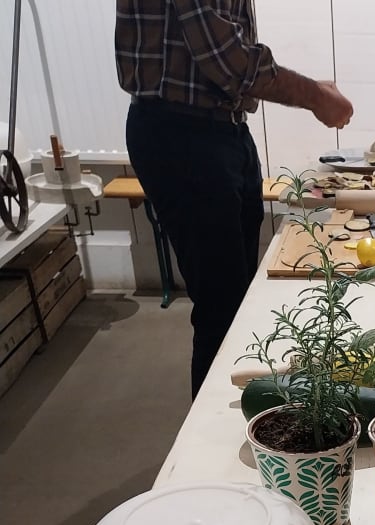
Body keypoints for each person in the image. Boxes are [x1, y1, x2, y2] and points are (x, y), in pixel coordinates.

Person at [115, 1, 353, 398]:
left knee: (237, 302)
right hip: (182, 134)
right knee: (220, 309)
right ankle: (212, 446)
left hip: (222, 127)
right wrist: (315, 95)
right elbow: (225, 58)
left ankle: (245, 414)